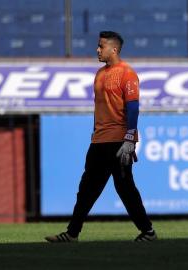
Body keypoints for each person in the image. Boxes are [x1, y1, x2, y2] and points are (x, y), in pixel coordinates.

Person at [45, 31, 156, 243]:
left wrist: (130, 139)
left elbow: (133, 108)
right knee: (86, 189)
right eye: (98, 46)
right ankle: (72, 233)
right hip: (98, 141)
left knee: (125, 188)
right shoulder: (99, 74)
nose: (97, 49)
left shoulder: (127, 74)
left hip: (118, 141)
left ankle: (148, 232)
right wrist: (95, 129)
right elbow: (99, 108)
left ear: (114, 49)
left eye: (101, 46)